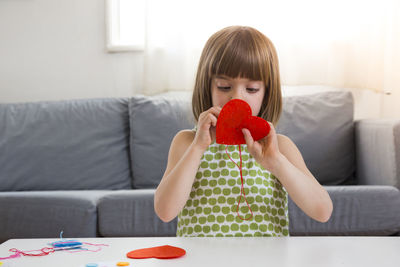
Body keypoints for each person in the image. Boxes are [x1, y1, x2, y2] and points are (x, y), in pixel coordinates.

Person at [154, 25, 333, 237]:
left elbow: (323, 212)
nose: (237, 98)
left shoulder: (280, 147)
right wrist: (197, 148)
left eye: (251, 89)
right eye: (223, 87)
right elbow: (165, 212)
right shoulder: (187, 142)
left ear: (266, 93)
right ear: (208, 87)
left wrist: (276, 162)